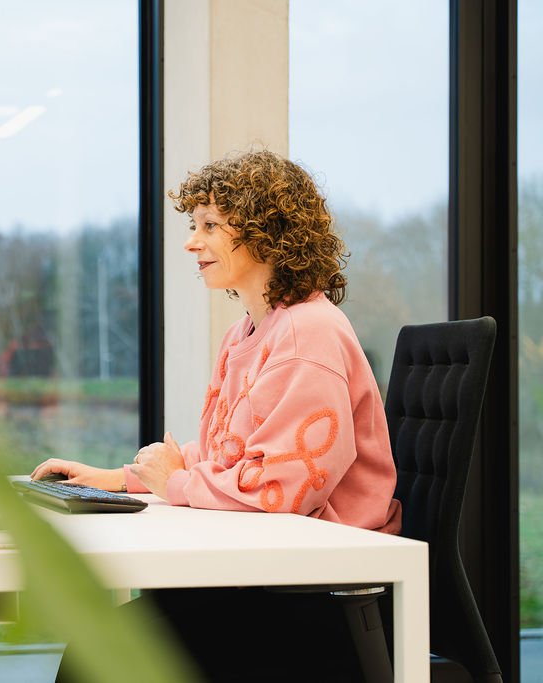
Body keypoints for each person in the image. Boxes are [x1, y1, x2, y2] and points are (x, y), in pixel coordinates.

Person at [35, 150, 402, 682]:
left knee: (96, 659)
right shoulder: (247, 332)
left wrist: (176, 482)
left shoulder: (307, 334)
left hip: (320, 594)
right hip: (277, 571)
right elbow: (229, 454)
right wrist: (118, 480)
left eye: (209, 226)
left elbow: (282, 492)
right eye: (194, 226)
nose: (191, 242)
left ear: (265, 232)